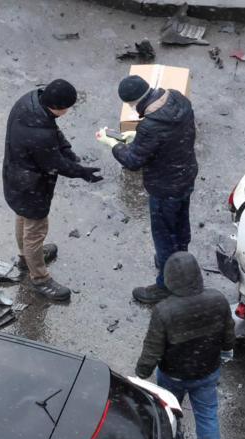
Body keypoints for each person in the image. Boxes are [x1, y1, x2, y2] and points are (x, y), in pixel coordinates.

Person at [135, 252, 234, 439]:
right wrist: (225, 351)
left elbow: (153, 348)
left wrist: (141, 373)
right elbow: (228, 334)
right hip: (206, 373)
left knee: (168, 418)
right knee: (207, 418)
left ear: (169, 279)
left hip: (173, 376)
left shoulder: (164, 311)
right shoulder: (218, 300)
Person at [97, 75, 198, 305]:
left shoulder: (151, 126)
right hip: (185, 176)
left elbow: (133, 161)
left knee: (163, 236)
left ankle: (166, 283)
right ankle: (182, 261)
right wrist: (137, 137)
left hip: (164, 186)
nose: (132, 109)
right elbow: (170, 137)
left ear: (135, 101)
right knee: (181, 225)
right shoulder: (178, 99)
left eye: (131, 105)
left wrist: (114, 144)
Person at [2, 79, 103, 301]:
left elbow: (53, 131)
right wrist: (82, 171)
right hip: (33, 186)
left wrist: (66, 149)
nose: (67, 111)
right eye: (67, 107)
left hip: (16, 177)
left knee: (23, 217)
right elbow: (55, 164)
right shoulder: (40, 135)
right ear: (59, 107)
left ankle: (24, 258)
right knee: (35, 231)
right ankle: (39, 278)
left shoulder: (30, 101)